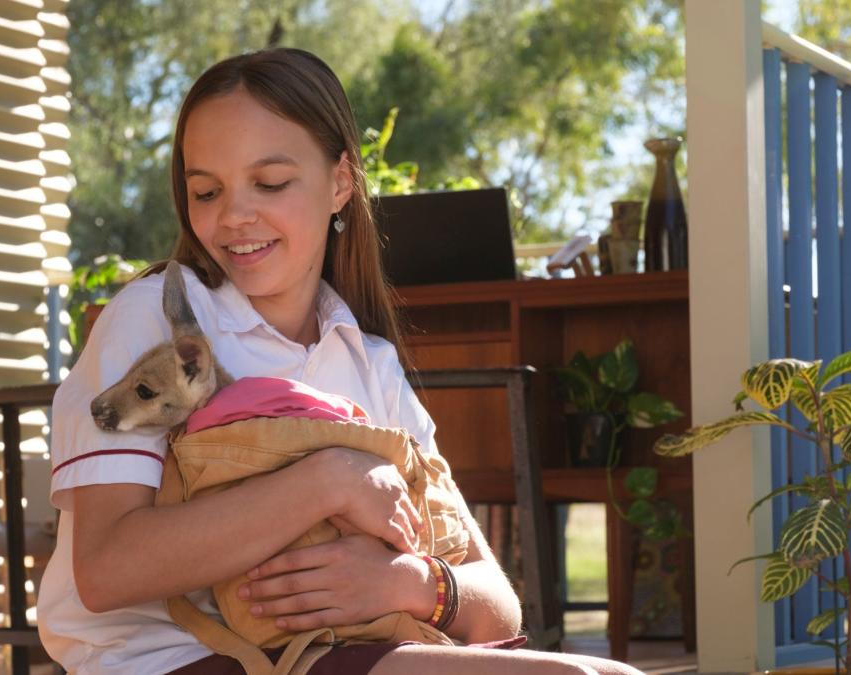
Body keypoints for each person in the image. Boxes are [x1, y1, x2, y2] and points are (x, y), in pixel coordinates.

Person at [38, 47, 646, 675]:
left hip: (342, 651)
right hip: (169, 662)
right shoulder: (157, 318)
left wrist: (409, 584)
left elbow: (497, 607)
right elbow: (106, 570)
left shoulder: (367, 360)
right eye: (205, 191)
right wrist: (330, 481)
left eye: (269, 183)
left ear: (339, 183)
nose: (232, 216)